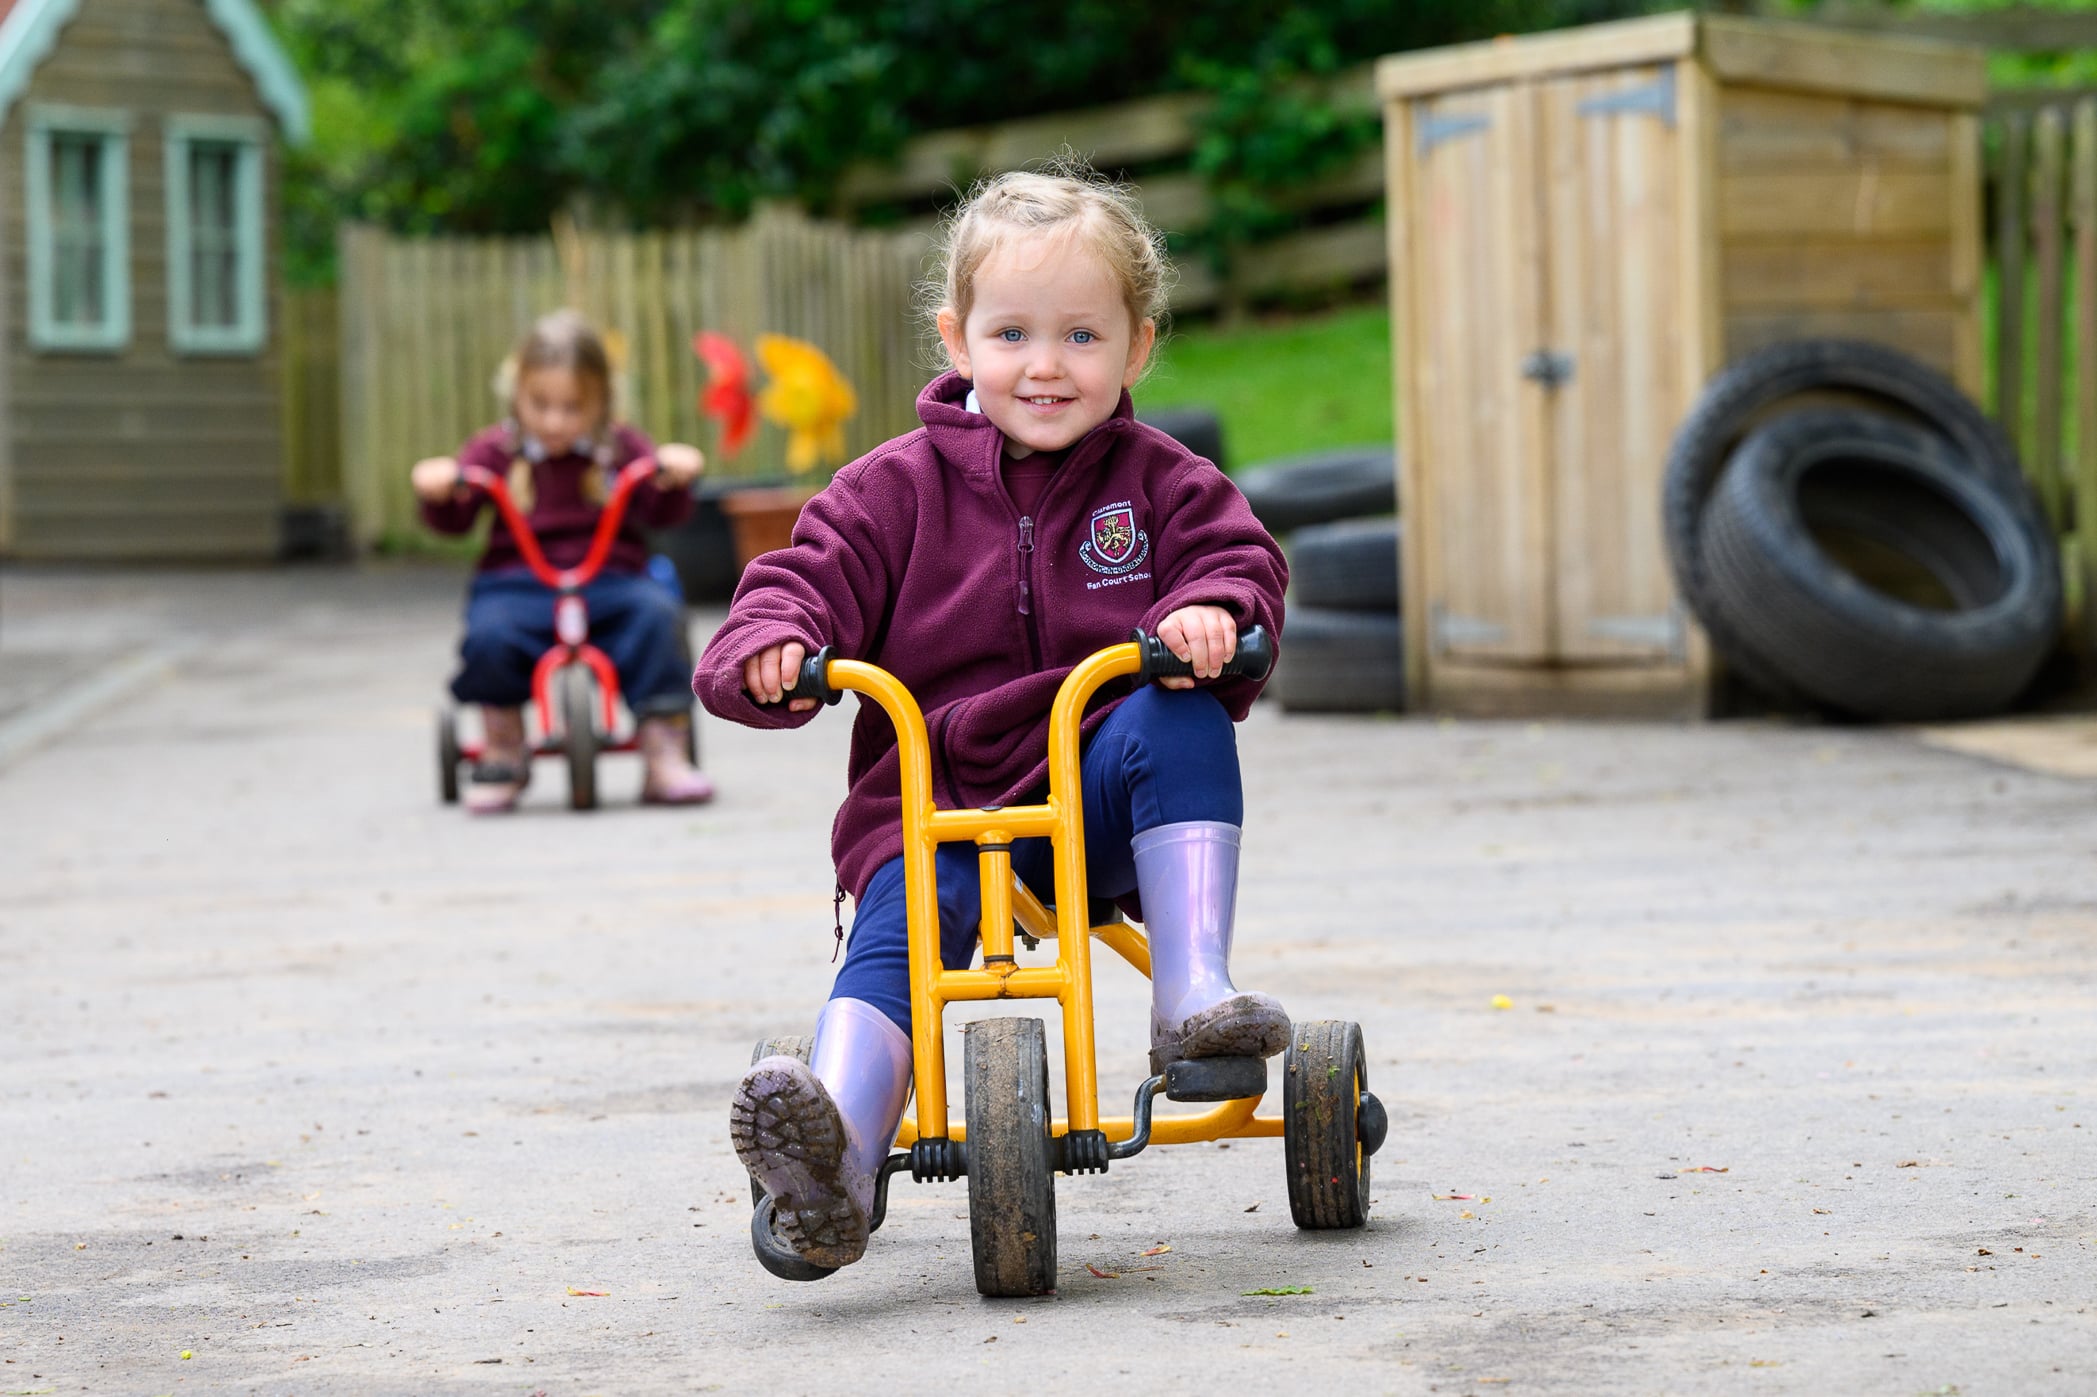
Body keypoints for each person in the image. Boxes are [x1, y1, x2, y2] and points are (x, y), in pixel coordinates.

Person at [694, 164, 1288, 1270]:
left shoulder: (1161, 481)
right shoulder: (890, 490)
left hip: (1092, 793)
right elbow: (801, 577)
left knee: (1181, 708)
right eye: (1012, 333)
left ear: (1138, 347)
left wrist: (1214, 608)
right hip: (935, 804)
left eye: (1081, 335)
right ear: (957, 340)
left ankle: (1192, 991)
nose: (1047, 365)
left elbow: (1236, 559)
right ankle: (836, 1157)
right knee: (896, 940)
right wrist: (773, 645)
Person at [412, 309, 716, 813]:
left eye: (573, 407)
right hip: (519, 583)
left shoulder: (617, 448)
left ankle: (663, 747)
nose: (554, 420)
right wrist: (441, 488)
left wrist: (670, 476)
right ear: (516, 394)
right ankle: (504, 746)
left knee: (655, 615)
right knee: (490, 634)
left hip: (610, 579)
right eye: (540, 404)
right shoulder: (496, 451)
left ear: (601, 400)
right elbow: (456, 519)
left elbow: (660, 511)